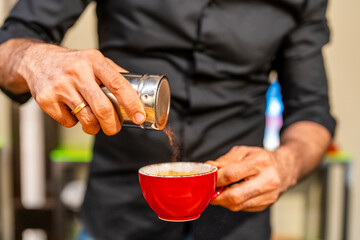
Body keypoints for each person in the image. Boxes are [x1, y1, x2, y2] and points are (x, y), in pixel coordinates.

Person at [0, 0, 336, 239]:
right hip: (118, 217)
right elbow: (8, 45)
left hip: (235, 225)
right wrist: (32, 58)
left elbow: (312, 110)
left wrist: (286, 163)